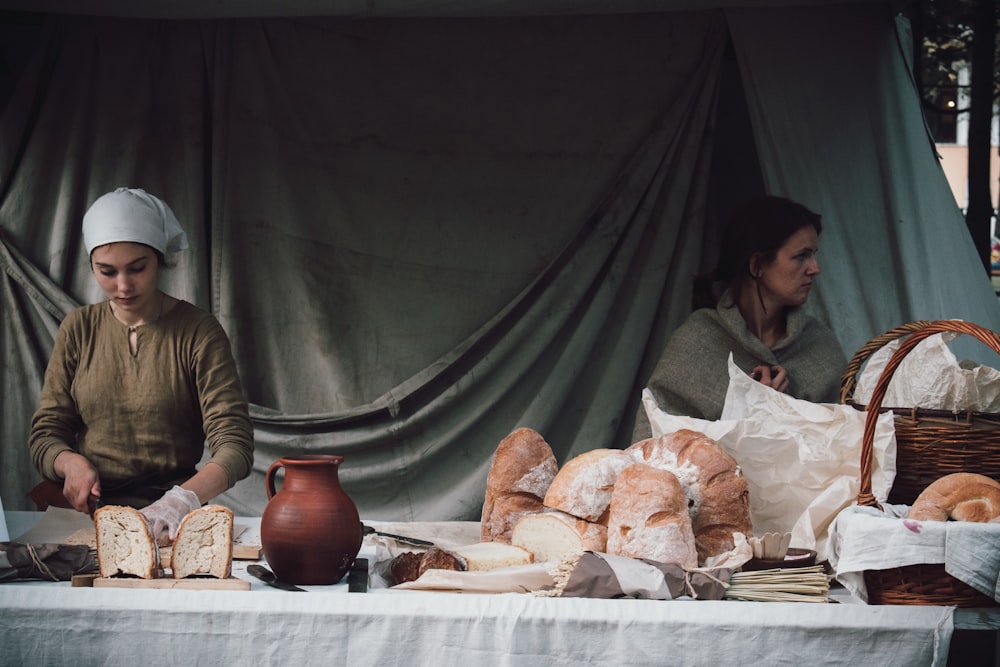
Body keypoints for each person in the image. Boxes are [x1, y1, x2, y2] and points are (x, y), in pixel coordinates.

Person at [29, 187, 254, 544]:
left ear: (159, 260)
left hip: (171, 520)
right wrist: (69, 463)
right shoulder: (78, 329)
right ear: (91, 266)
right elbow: (46, 434)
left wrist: (182, 499)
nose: (122, 286)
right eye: (106, 271)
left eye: (137, 268)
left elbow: (235, 446)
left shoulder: (198, 332)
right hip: (88, 516)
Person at [632, 195, 846, 441]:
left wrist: (783, 411)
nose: (814, 268)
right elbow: (653, 438)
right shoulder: (699, 341)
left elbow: (846, 441)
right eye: (801, 256)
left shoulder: (819, 344)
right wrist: (745, 413)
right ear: (757, 265)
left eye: (814, 255)